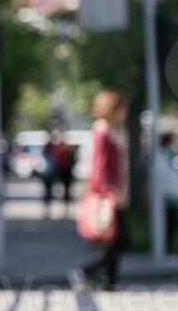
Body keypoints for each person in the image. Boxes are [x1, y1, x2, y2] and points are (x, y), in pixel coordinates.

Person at [72, 90, 129, 291]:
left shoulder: (111, 130)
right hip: (108, 193)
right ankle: (89, 272)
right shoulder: (103, 131)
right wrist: (108, 192)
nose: (125, 113)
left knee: (117, 238)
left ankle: (107, 280)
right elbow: (100, 165)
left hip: (114, 191)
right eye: (122, 109)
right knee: (116, 237)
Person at [154, 133, 178, 260]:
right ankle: (165, 249)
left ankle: (166, 249)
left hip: (172, 195)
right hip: (167, 196)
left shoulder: (169, 155)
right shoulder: (163, 156)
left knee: (171, 223)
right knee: (169, 223)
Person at [43, 131, 76, 219]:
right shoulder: (51, 148)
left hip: (65, 172)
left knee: (66, 192)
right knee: (49, 191)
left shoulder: (68, 150)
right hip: (55, 172)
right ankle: (48, 211)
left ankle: (65, 212)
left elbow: (72, 160)